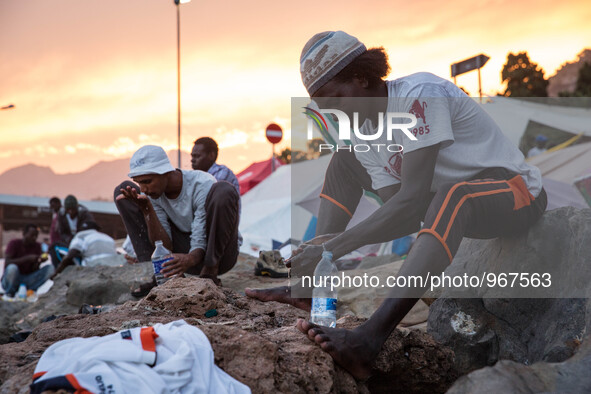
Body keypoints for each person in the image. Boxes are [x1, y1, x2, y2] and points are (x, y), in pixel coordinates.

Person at [246, 31, 547, 379]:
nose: (330, 111)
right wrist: (321, 255)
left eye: (334, 98)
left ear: (361, 77)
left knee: (456, 195)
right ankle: (308, 288)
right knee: (344, 160)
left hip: (515, 193)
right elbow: (403, 215)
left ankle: (368, 340)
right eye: (320, 104)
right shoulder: (362, 132)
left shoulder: (419, 95)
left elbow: (412, 201)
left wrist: (329, 248)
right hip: (456, 205)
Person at [114, 145, 240, 296]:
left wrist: (190, 259)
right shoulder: (154, 194)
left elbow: (200, 234)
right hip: (182, 257)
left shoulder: (201, 183)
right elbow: (163, 246)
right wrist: (147, 210)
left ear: (165, 172)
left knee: (223, 191)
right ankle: (159, 273)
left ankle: (209, 273)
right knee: (123, 191)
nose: (144, 188)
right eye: (139, 182)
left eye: (147, 181)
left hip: (217, 254)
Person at [52, 220, 126, 278]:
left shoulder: (81, 235)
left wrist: (56, 273)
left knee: (56, 247)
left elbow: (71, 254)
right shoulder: (107, 237)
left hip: (94, 267)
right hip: (114, 266)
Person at [1, 224, 54, 298]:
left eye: (36, 236)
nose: (34, 238)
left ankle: (30, 291)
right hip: (12, 279)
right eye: (32, 235)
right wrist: (27, 258)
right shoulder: (14, 243)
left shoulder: (37, 246)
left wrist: (38, 261)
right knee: (12, 268)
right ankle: (10, 293)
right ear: (24, 234)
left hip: (27, 280)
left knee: (50, 268)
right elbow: (7, 262)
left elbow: (34, 269)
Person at [49, 194, 95, 267]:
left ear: (76, 207)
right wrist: (69, 240)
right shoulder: (62, 214)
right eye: (69, 210)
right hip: (70, 242)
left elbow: (90, 229)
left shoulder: (84, 213)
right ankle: (58, 268)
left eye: (73, 209)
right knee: (53, 247)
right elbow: (62, 232)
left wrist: (78, 240)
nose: (71, 212)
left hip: (83, 242)